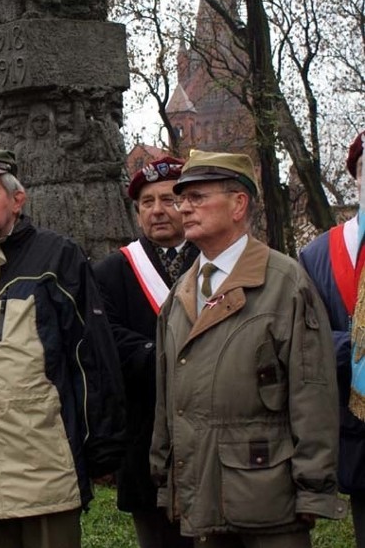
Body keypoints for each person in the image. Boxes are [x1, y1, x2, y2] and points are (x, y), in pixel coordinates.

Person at [0, 146, 125, 548]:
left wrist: (102, 444)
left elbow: (91, 358)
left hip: (45, 466)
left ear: (17, 199)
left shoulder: (57, 256)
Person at [150, 150, 346, 547]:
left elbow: (313, 393)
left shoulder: (285, 282)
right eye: (182, 198)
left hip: (269, 501)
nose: (183, 208)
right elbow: (167, 396)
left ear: (239, 204)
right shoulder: (181, 292)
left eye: (198, 197)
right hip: (201, 493)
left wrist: (313, 487)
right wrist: (164, 472)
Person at [92, 156, 196, 548]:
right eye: (147, 202)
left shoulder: (214, 261)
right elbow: (107, 339)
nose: (157, 211)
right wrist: (161, 354)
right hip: (144, 433)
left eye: (169, 199)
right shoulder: (111, 271)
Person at [299, 129, 365, 546]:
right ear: (356, 177)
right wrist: (358, 346)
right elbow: (308, 336)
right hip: (359, 431)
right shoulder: (318, 254)